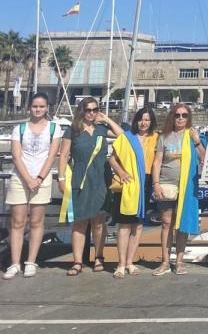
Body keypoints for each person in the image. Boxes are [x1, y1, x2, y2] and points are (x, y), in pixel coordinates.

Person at [56, 97, 124, 276]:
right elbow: (63, 156)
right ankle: (77, 261)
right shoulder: (73, 130)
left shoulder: (102, 129)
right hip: (80, 178)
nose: (92, 113)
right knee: (79, 221)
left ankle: (99, 257)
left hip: (101, 179)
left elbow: (122, 135)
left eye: (95, 109)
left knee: (99, 221)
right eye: (88, 110)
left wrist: (107, 119)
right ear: (81, 111)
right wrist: (61, 179)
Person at [4, 93, 62, 279]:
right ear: (30, 107)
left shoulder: (54, 128)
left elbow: (52, 155)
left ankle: (30, 261)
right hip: (20, 178)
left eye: (41, 106)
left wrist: (38, 177)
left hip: (41, 178)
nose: (38, 109)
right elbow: (16, 156)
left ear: (47, 108)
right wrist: (28, 178)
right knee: (17, 222)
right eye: (35, 106)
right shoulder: (19, 129)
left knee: (37, 221)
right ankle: (14, 263)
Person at [151, 103, 206, 276]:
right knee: (167, 223)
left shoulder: (192, 135)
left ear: (188, 118)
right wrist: (156, 184)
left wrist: (197, 142)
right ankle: (165, 261)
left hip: (187, 186)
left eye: (184, 115)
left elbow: (204, 157)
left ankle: (179, 261)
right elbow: (157, 162)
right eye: (177, 115)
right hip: (167, 184)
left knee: (182, 225)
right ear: (172, 117)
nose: (181, 118)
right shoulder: (164, 137)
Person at [108, 107, 158, 278]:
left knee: (138, 225)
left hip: (146, 183)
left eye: (147, 120)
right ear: (136, 120)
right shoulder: (128, 138)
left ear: (151, 122)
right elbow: (112, 159)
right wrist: (121, 173)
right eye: (141, 119)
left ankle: (130, 262)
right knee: (124, 225)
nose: (143, 123)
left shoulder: (156, 138)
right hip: (129, 183)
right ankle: (121, 264)